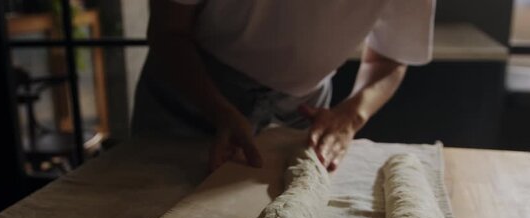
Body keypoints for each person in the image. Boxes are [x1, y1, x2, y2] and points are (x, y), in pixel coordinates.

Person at [132, 0, 435, 172]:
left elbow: (388, 60)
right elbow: (168, 30)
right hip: (189, 98)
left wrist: (351, 116)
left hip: (298, 114)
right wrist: (217, 109)